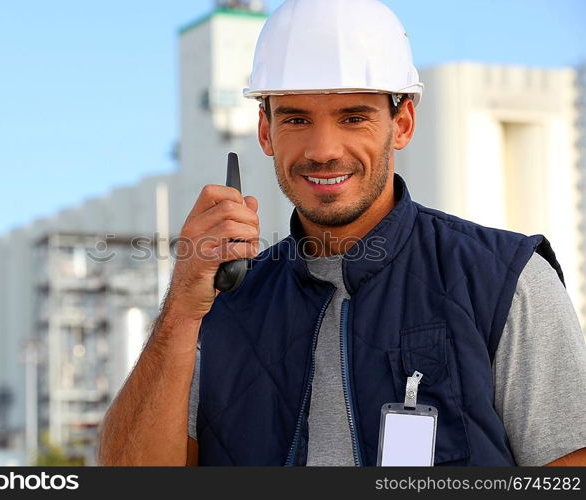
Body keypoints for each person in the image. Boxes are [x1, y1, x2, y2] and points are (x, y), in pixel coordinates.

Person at [97, 0, 586, 466]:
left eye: (353, 117)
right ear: (265, 131)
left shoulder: (504, 280)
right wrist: (180, 309)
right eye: (296, 119)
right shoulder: (220, 305)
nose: (324, 149)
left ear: (403, 123)